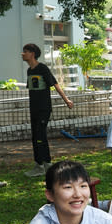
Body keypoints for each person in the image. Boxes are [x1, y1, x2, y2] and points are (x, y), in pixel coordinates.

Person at [22, 43, 74, 178]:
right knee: (35, 136)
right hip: (33, 109)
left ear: (32, 53)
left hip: (44, 108)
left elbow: (55, 84)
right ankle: (38, 165)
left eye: (25, 51)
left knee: (41, 135)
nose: (23, 54)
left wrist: (66, 100)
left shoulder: (42, 68)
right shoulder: (29, 71)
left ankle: (48, 165)